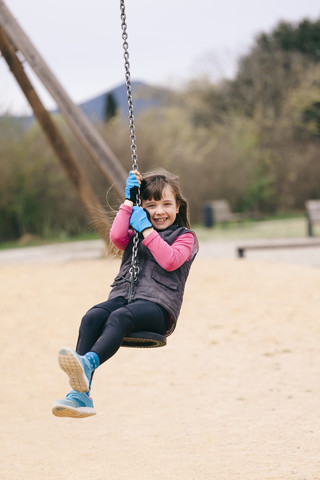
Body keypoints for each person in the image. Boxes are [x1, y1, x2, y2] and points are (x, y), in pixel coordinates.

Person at [52, 168, 199, 418]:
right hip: (125, 297)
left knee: (120, 317)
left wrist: (146, 230)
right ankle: (81, 395)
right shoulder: (135, 236)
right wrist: (128, 202)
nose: (159, 211)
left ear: (178, 206)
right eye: (150, 205)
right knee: (93, 317)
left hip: (158, 309)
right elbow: (117, 237)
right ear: (142, 208)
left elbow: (170, 261)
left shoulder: (186, 238)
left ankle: (88, 363)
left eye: (166, 204)